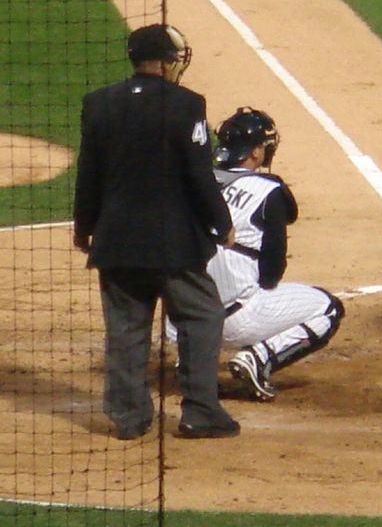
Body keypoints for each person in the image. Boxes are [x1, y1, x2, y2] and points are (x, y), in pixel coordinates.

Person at [73, 24, 240, 440]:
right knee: (202, 316)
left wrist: (84, 227)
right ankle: (200, 411)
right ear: (166, 62)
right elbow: (199, 174)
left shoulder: (98, 104)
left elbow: (88, 174)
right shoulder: (186, 105)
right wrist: (222, 222)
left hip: (116, 241)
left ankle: (128, 418)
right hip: (173, 242)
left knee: (126, 327)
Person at [193, 107, 345, 402]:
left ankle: (193, 361)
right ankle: (258, 357)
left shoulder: (195, 183)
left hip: (188, 319)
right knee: (329, 308)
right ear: (253, 153)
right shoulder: (268, 191)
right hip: (238, 320)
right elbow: (272, 271)